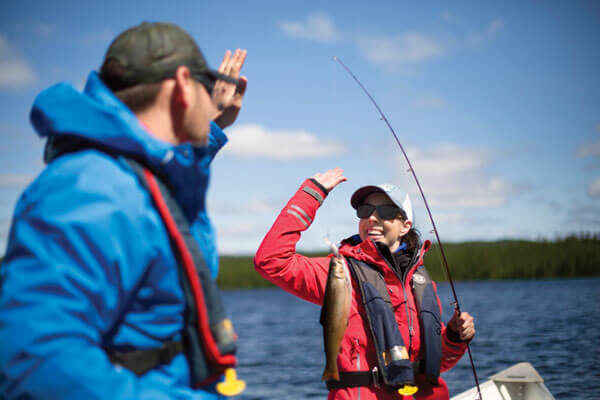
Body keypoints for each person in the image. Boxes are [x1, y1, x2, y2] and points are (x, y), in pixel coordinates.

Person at [0, 22, 247, 399]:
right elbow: (36, 362)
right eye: (206, 85)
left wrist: (207, 126)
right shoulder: (88, 188)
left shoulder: (131, 182)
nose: (214, 97)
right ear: (183, 85)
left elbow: (173, 208)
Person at [254, 168, 476, 400]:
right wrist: (311, 194)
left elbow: (439, 362)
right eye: (365, 211)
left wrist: (454, 336)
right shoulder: (339, 272)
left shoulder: (419, 281)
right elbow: (270, 261)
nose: (372, 218)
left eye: (386, 211)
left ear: (405, 226)